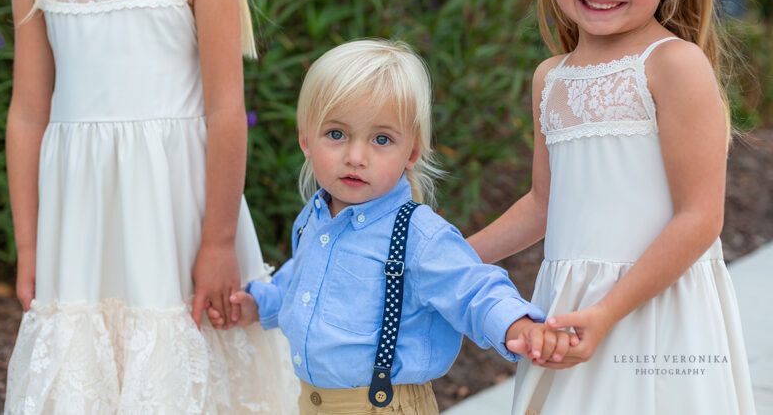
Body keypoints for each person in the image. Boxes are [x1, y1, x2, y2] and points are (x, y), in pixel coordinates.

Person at [4, 0, 297, 412]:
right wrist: (29, 246)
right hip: (80, 233)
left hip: (176, 218)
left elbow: (226, 111)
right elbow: (27, 115)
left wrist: (218, 241)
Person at [467, 0, 757, 414]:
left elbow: (700, 218)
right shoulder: (550, 78)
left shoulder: (673, 65)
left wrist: (608, 311)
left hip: (653, 310)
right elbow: (542, 204)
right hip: (569, 311)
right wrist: (453, 260)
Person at [207, 39, 577, 414]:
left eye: (381, 139)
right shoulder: (315, 217)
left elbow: (472, 287)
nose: (355, 157)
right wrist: (261, 304)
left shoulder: (417, 235)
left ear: (412, 153)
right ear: (306, 139)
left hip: (384, 406)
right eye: (336, 134)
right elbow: (301, 280)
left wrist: (517, 326)